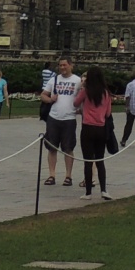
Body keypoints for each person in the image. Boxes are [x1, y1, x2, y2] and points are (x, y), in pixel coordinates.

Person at [42, 57, 81, 187]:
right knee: (52, 147)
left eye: (65, 65)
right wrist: (50, 99)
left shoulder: (77, 80)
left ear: (71, 65)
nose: (62, 68)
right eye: (60, 65)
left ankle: (68, 176)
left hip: (69, 118)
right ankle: (52, 174)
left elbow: (83, 96)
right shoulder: (54, 80)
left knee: (68, 148)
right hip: (54, 117)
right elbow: (43, 95)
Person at [77, 67, 115, 198]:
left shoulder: (86, 91)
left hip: (87, 127)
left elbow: (75, 103)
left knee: (88, 161)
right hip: (101, 128)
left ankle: (88, 192)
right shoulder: (106, 93)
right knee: (100, 160)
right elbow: (108, 113)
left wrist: (82, 87)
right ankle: (104, 190)